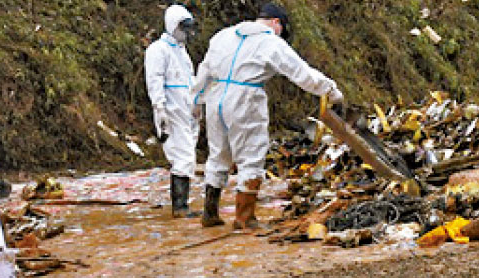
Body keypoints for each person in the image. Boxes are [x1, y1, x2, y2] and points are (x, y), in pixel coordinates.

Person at [190, 2, 344, 229]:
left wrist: (196, 100)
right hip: (245, 98)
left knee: (218, 155)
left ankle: (210, 213)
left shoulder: (223, 36)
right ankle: (245, 219)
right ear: (276, 22)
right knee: (251, 156)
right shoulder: (270, 42)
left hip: (216, 98)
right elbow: (301, 72)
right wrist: (330, 90)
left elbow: (204, 70)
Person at [145, 4, 200, 217]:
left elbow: (190, 80)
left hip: (186, 111)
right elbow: (154, 81)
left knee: (187, 156)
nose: (187, 34)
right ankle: (180, 208)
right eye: (183, 28)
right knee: (182, 156)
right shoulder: (158, 50)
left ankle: (181, 205)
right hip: (171, 111)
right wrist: (160, 109)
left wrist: (197, 104)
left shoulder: (181, 52)